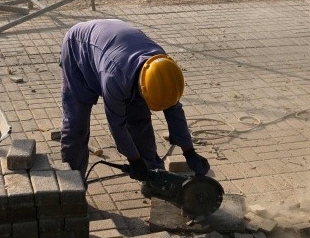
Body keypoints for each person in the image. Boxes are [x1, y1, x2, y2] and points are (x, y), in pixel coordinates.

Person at [59, 18, 210, 182]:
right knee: (76, 124)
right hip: (79, 47)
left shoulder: (163, 68)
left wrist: (189, 151)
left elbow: (174, 110)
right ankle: (73, 185)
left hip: (116, 50)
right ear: (143, 88)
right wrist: (134, 160)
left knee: (139, 121)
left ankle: (154, 179)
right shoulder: (114, 79)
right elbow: (117, 125)